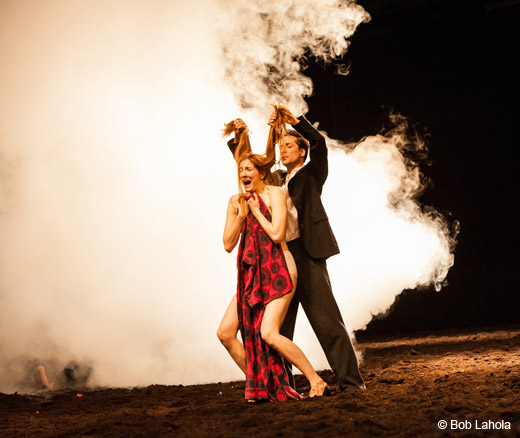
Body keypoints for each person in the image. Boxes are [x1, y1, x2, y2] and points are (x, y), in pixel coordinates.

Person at [226, 105, 365, 391]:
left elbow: (319, 143)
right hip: (278, 256)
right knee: (276, 330)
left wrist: (294, 122)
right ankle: (284, 386)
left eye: (289, 146)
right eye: (282, 146)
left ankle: (351, 384)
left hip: (307, 253)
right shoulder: (276, 179)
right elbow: (252, 169)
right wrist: (239, 138)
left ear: (301, 152)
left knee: (327, 323)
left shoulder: (312, 174)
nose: (284, 150)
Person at [217, 119, 330, 402]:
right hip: (252, 275)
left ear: (260, 173)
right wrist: (243, 213)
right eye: (240, 169)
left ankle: (316, 380)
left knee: (268, 333)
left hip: (278, 268)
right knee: (225, 333)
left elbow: (278, 233)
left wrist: (255, 211)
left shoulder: (275, 193)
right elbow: (228, 244)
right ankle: (261, 383)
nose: (243, 172)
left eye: (248, 169)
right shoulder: (236, 202)